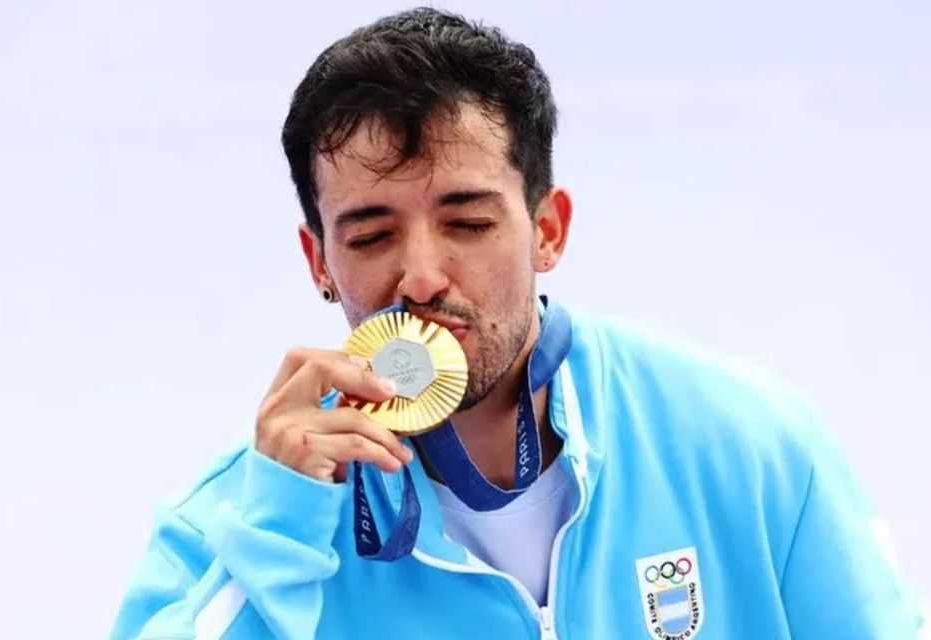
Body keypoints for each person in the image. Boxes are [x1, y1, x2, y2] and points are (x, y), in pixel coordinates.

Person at [111, 8, 923, 640]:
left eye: (467, 222)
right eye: (370, 236)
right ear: (319, 260)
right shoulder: (236, 522)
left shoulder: (746, 446)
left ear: (548, 229)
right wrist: (276, 537)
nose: (421, 276)